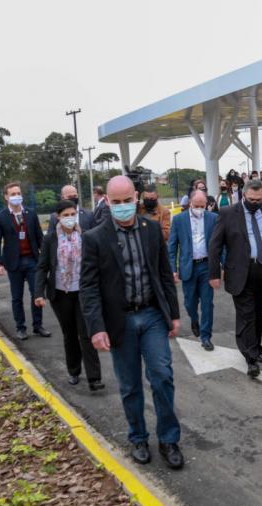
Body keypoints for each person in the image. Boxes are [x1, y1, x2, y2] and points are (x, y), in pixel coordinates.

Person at [79, 175, 184, 470]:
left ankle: (169, 439)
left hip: (152, 316)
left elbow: (164, 274)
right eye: (116, 202)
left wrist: (174, 314)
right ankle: (138, 437)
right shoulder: (95, 238)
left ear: (136, 197)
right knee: (129, 385)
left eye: (127, 200)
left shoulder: (151, 230)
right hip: (119, 321)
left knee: (162, 376)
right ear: (107, 202)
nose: (123, 206)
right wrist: (96, 327)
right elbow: (88, 287)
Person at [209, 179, 262, 377]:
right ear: (244, 195)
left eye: (258, 200)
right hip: (241, 272)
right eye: (251, 200)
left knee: (259, 314)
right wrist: (214, 273)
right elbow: (215, 245)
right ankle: (250, 358)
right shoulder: (228, 213)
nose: (255, 203)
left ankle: (256, 349)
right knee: (246, 315)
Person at [34, 200, 104, 391]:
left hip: (83, 293)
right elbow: (42, 267)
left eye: (72, 214)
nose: (70, 218)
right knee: (70, 334)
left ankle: (94, 378)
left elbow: (95, 264)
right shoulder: (50, 239)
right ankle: (74, 371)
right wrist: (39, 293)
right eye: (65, 215)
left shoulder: (86, 236)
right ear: (58, 217)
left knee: (86, 333)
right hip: (60, 294)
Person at [0, 183, 50, 341]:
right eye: (12, 194)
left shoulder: (30, 213)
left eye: (18, 193)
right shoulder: (0, 217)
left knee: (36, 293)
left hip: (32, 260)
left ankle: (38, 325)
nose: (16, 196)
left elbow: (39, 237)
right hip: (13, 262)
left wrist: (45, 258)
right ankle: (20, 327)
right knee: (17, 296)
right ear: (6, 197)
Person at [168, 190, 217, 351]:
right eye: (196, 206)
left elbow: (219, 244)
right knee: (190, 302)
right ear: (190, 203)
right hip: (188, 266)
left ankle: (206, 336)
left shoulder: (213, 218)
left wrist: (221, 266)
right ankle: (194, 320)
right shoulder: (179, 220)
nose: (199, 209)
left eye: (203, 206)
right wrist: (173, 269)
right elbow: (172, 246)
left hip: (206, 266)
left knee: (207, 303)